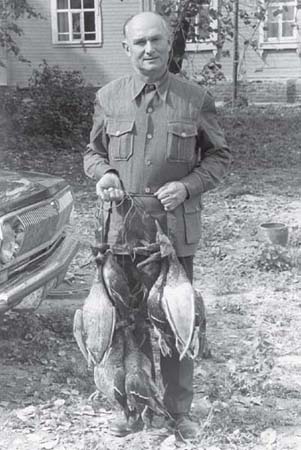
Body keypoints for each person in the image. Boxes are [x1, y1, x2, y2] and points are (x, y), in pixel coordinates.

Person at [83, 11, 231, 440]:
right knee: (123, 325)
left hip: (173, 232)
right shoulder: (108, 97)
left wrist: (187, 187)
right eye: (139, 43)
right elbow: (92, 154)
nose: (149, 49)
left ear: (170, 44)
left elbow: (219, 157)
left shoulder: (195, 98)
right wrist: (104, 174)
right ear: (125, 48)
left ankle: (179, 411)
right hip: (121, 234)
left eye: (156, 41)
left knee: (174, 321)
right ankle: (130, 408)